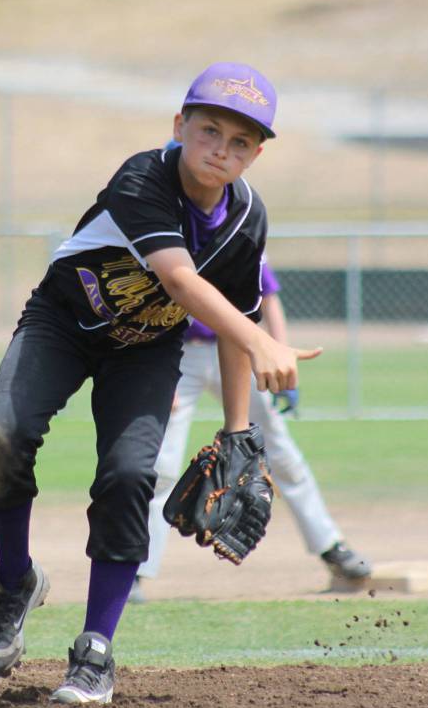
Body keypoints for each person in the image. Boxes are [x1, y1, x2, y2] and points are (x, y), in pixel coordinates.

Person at [0, 62, 322, 704]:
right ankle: (14, 581)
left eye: (241, 141)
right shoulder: (143, 177)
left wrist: (238, 431)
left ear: (258, 154)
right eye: (209, 128)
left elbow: (235, 321)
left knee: (131, 474)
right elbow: (182, 284)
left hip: (146, 349)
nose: (222, 148)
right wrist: (265, 341)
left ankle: (95, 649)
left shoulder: (246, 219)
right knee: (2, 436)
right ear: (179, 126)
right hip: (63, 321)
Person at [129, 256, 371, 605]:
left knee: (281, 453)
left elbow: (268, 297)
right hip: (180, 354)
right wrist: (152, 369)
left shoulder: (238, 230)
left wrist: (280, 351)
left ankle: (331, 546)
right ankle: (135, 568)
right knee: (161, 464)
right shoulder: (172, 235)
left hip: (240, 348)